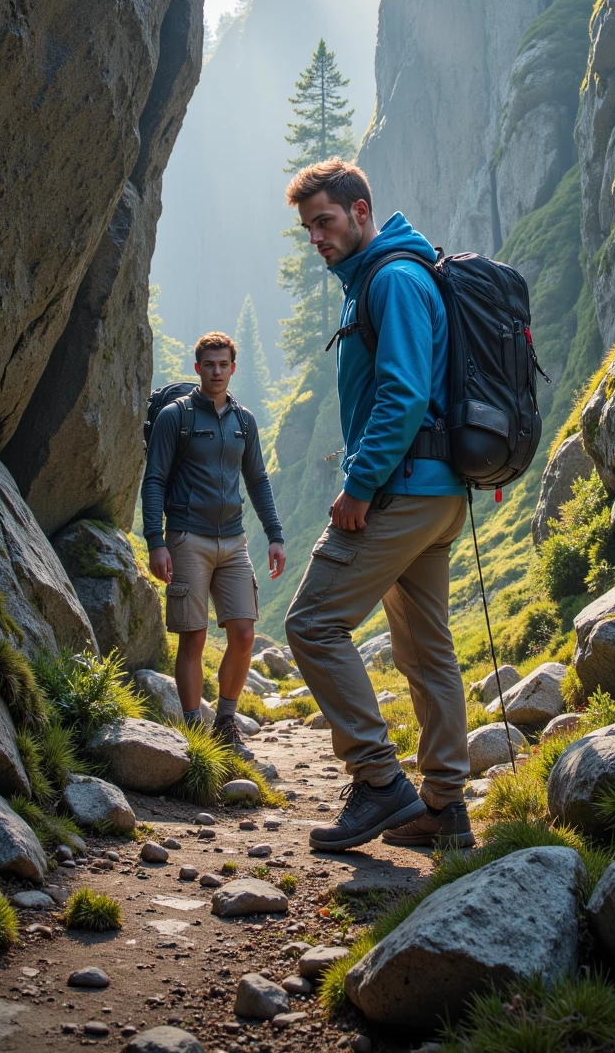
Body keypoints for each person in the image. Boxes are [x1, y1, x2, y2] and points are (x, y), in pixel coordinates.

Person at [284, 159, 473, 852]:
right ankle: (444, 808)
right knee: (426, 651)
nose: (317, 239)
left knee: (311, 623)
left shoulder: (391, 279)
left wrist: (359, 484)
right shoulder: (394, 274)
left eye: (325, 222)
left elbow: (402, 394)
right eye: (308, 229)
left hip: (402, 488)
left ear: (362, 211)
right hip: (438, 492)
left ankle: (377, 783)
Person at [142, 330, 285, 758]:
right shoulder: (175, 417)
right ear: (197, 368)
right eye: (210, 364)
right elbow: (154, 481)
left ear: (233, 368)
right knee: (194, 637)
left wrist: (274, 535)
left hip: (234, 540)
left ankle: (225, 723)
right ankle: (193, 732)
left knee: (243, 633)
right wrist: (156, 541)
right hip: (187, 538)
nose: (217, 371)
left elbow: (257, 480)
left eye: (224, 364)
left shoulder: (244, 421)